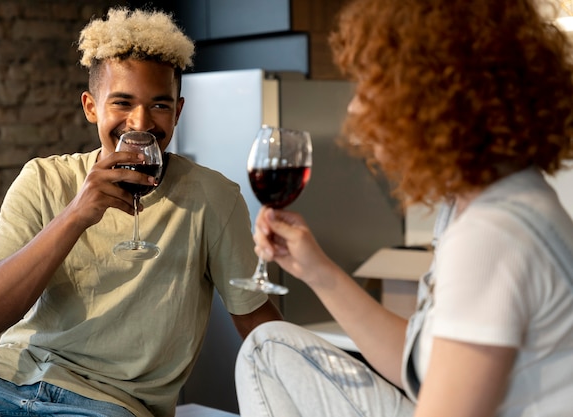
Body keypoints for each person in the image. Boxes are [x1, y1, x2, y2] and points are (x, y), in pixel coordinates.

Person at [234, 0, 573, 416]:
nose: (354, 108)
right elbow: (418, 367)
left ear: (433, 93)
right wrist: (317, 271)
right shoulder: (490, 202)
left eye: (369, 85)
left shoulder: (492, 236)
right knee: (267, 347)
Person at [0, 7, 282, 417]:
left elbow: (256, 321)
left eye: (159, 106)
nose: (141, 123)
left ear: (177, 112)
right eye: (122, 102)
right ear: (91, 107)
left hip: (111, 403)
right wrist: (77, 214)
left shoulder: (212, 198)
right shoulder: (43, 179)